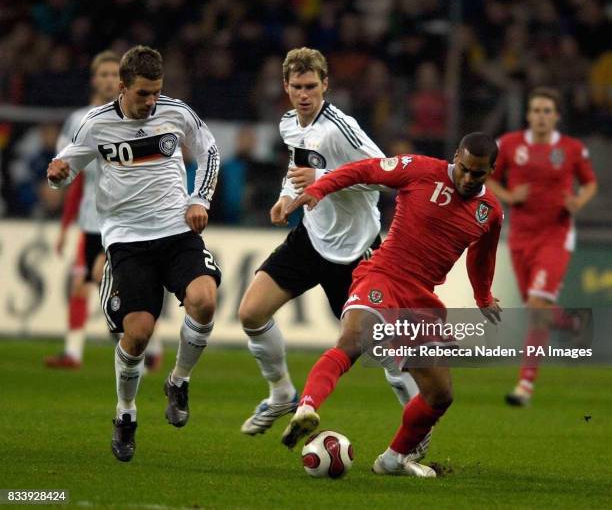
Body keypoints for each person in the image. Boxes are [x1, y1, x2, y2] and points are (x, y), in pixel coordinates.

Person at [281, 133, 503, 478]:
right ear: (455, 157)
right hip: (383, 276)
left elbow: (482, 258)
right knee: (353, 340)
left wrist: (484, 297)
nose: (467, 178)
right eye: (463, 169)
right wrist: (320, 188)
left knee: (440, 394)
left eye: (478, 174)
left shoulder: (490, 212)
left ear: (491, 171)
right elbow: (364, 170)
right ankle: (306, 408)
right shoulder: (419, 169)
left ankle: (393, 460)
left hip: (420, 299)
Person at [47, 46, 221, 462]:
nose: (151, 102)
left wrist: (200, 200)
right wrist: (57, 176)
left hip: (177, 232)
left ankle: (178, 381)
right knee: (138, 334)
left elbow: (210, 150)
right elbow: (66, 166)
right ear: (122, 87)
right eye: (143, 94)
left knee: (204, 300)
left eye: (156, 92)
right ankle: (126, 413)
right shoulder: (96, 124)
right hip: (128, 241)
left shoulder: (175, 113)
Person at [237, 47, 419, 438]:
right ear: (286, 88)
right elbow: (297, 168)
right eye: (297, 87)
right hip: (311, 238)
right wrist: (286, 197)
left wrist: (323, 181)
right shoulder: (289, 124)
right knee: (251, 313)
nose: (305, 95)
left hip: (357, 251)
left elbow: (384, 175)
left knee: (383, 351)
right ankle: (282, 392)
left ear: (325, 86)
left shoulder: (341, 128)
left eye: (312, 87)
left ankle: (418, 431)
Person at [487, 87, 597, 406]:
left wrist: (578, 201)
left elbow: (590, 182)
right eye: (536, 110)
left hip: (555, 235)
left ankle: (525, 383)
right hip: (521, 237)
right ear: (528, 114)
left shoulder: (572, 148)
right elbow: (489, 177)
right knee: (538, 309)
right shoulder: (509, 144)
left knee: (536, 309)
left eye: (547, 111)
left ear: (557, 116)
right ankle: (572, 322)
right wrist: (507, 197)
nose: (541, 116)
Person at [45, 50, 122, 370]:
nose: (107, 80)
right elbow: (68, 172)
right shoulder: (78, 121)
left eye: (113, 74)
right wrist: (65, 225)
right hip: (91, 221)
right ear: (94, 79)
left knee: (116, 285)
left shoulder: (132, 116)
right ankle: (74, 353)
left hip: (122, 219)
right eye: (102, 74)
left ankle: (140, 349)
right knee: (83, 283)